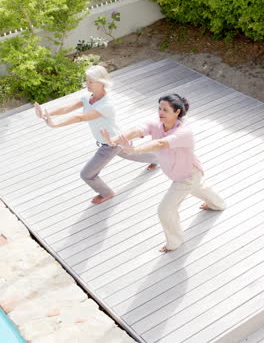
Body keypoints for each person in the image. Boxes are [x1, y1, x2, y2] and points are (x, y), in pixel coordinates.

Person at [101, 93, 225, 252]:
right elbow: (137, 130)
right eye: (159, 108)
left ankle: (175, 242)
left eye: (165, 110)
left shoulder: (183, 132)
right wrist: (114, 139)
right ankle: (218, 204)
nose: (160, 112)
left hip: (187, 176)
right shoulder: (156, 124)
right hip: (185, 174)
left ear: (177, 112)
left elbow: (160, 144)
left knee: (165, 210)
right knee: (199, 188)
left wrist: (135, 150)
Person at [34, 65, 157, 204]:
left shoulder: (106, 105)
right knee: (132, 154)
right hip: (116, 141)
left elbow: (80, 117)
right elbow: (68, 107)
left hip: (111, 144)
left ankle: (107, 193)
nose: (87, 84)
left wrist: (55, 124)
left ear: (102, 83)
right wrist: (46, 113)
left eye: (91, 81)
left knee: (87, 174)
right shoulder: (88, 97)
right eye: (87, 80)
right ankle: (158, 158)